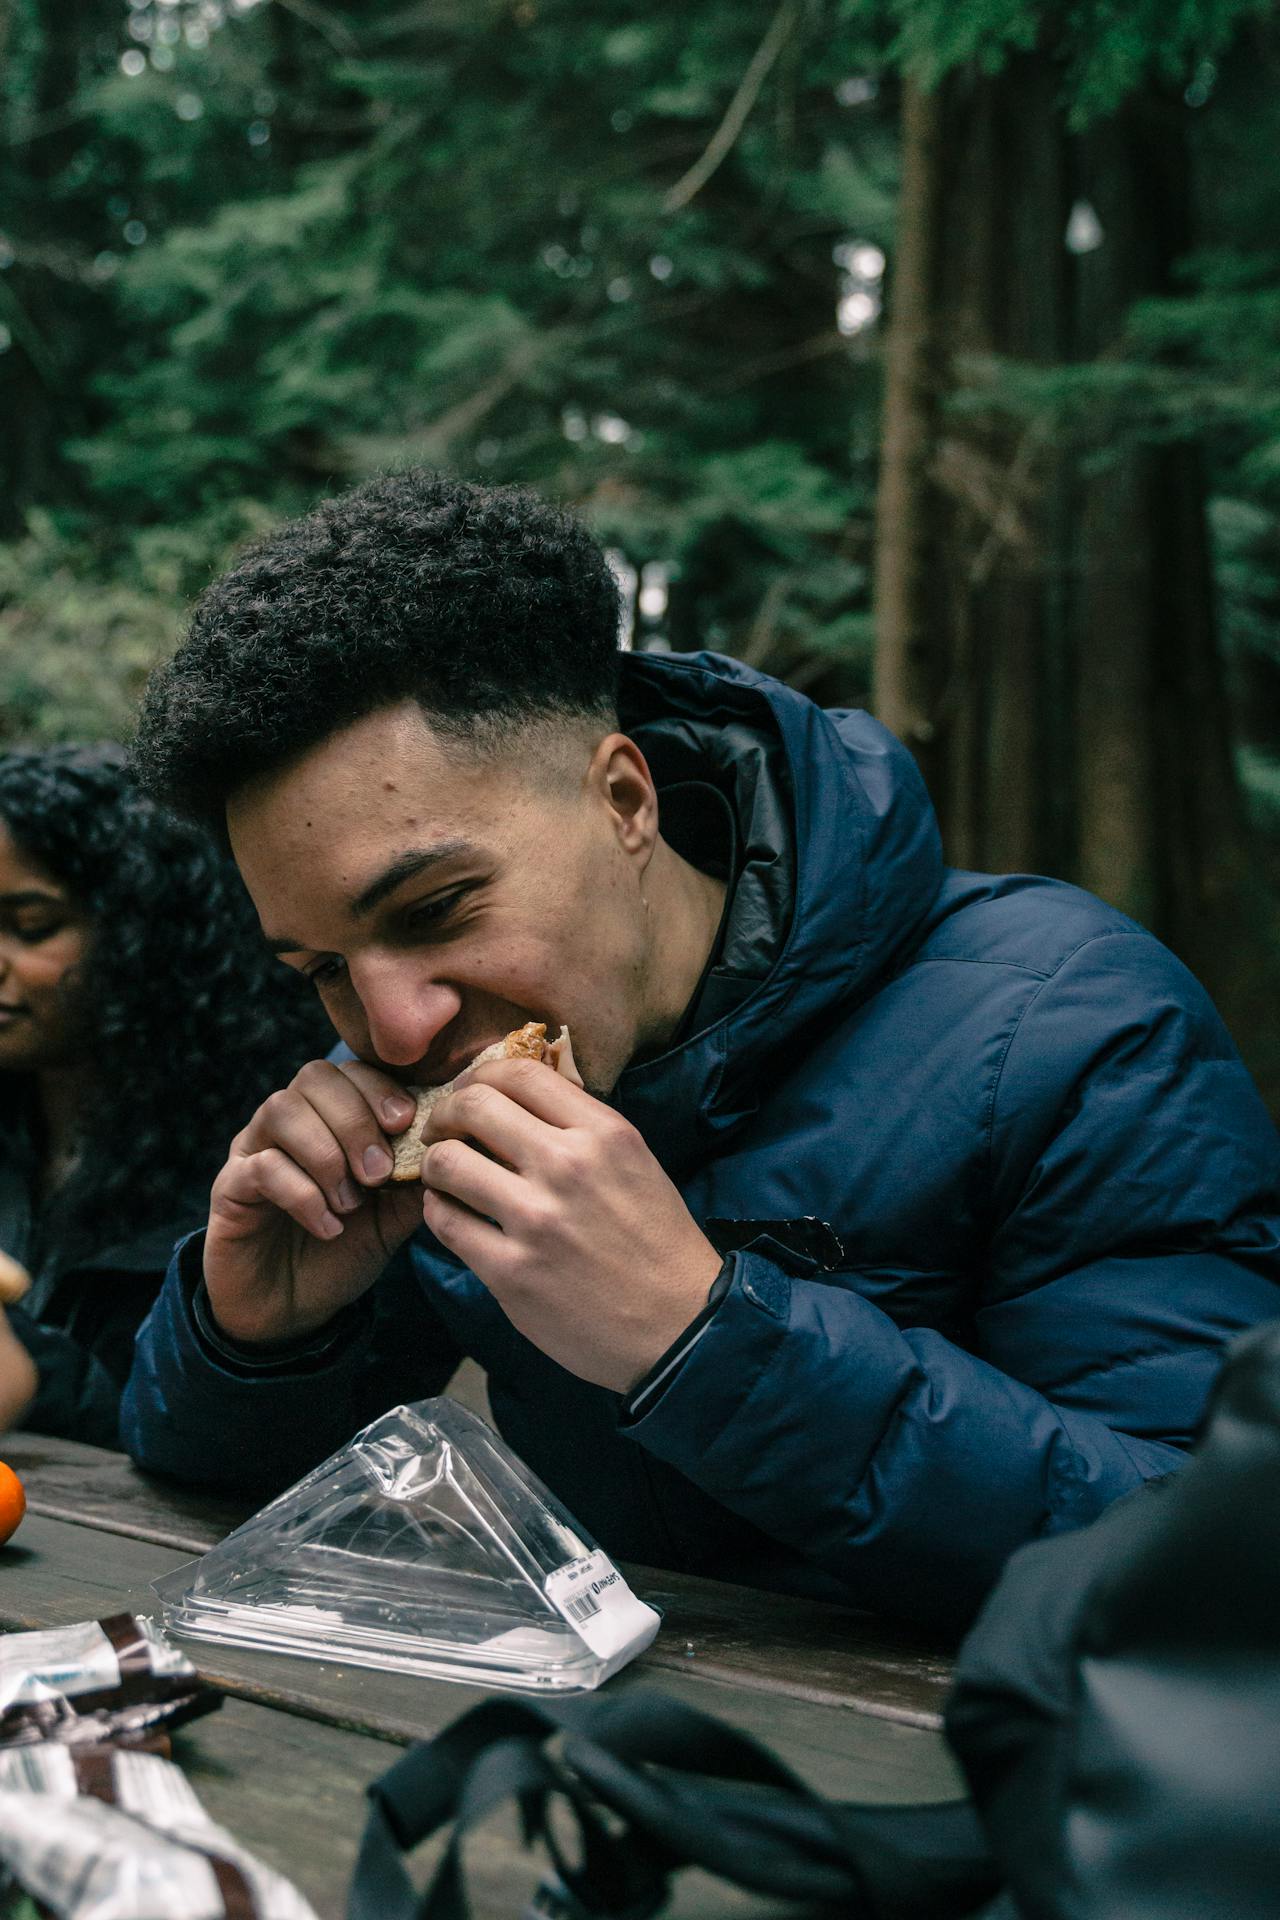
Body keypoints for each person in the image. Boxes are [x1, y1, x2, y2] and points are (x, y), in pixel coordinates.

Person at [121, 472, 1280, 1631]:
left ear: (625, 799)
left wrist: (704, 1336)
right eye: (320, 969)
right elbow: (226, 1507)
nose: (394, 1030)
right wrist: (260, 1339)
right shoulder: (425, 1082)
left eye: (435, 911)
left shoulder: (1073, 1022)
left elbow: (1212, 1556)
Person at [0, 744, 332, 1446]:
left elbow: (211, 1437)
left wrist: (33, 1366)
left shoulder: (254, 1154)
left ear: (142, 937)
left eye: (30, 926)